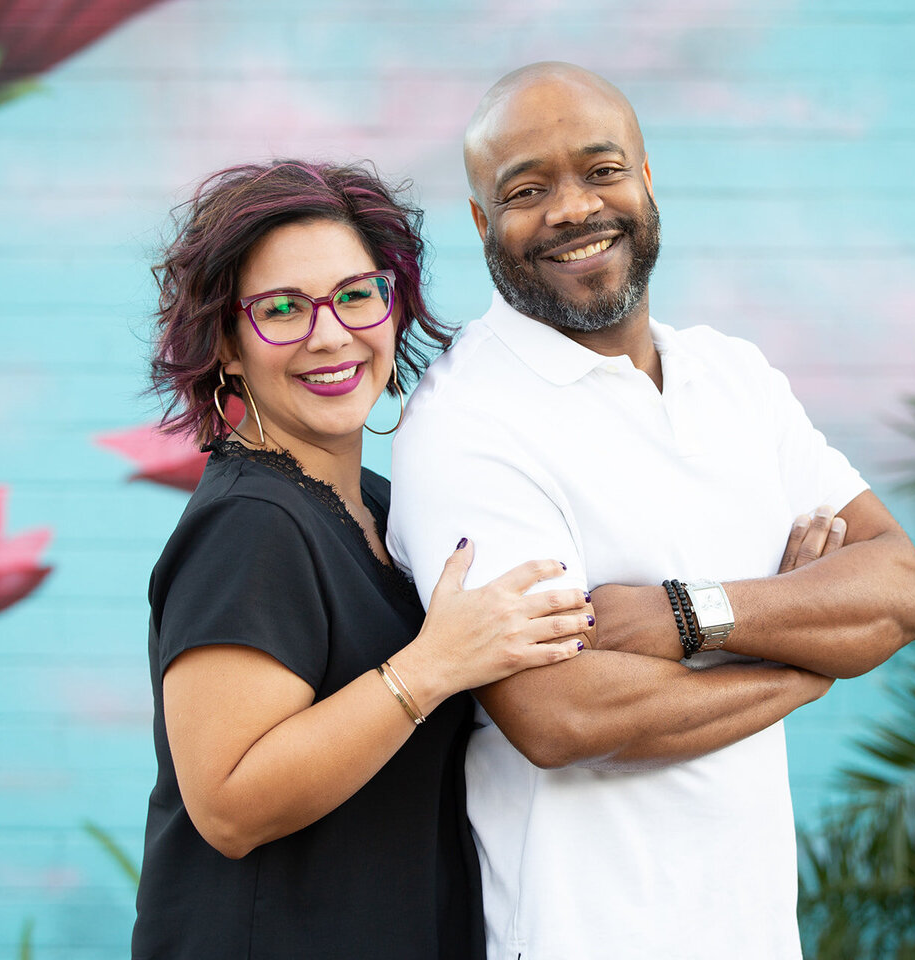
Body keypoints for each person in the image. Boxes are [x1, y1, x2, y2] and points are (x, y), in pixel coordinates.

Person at [386, 64, 915, 960]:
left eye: (601, 170)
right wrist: (807, 660)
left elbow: (903, 589)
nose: (573, 208)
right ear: (484, 222)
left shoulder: (734, 378)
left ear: (646, 179)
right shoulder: (466, 423)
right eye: (528, 189)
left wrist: (690, 614)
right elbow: (560, 715)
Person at [130, 160, 592, 960]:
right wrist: (427, 671)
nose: (331, 334)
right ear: (228, 347)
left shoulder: (377, 501)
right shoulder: (250, 526)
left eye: (355, 294)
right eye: (282, 310)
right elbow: (230, 806)